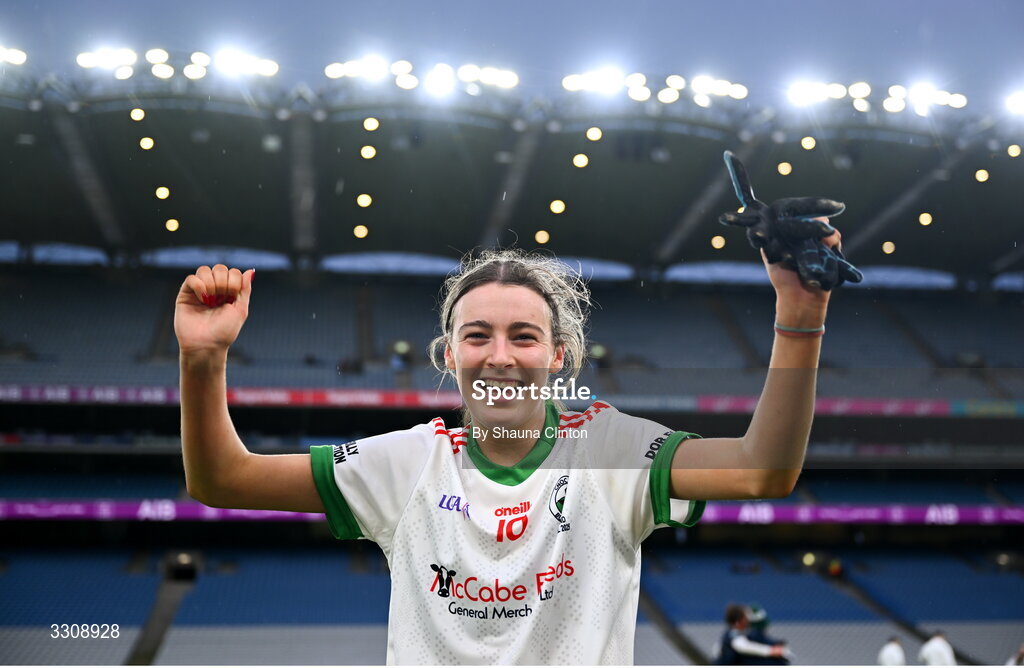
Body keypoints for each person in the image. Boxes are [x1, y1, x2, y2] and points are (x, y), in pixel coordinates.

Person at [174, 225, 842, 664]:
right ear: (450, 353)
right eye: (477, 335)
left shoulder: (609, 449)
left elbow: (762, 471)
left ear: (558, 355)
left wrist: (801, 320)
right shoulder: (407, 463)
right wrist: (203, 363)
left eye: (523, 336)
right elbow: (223, 480)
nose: (500, 356)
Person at [714, 604, 791, 665]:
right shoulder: (732, 634)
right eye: (745, 618)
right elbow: (741, 645)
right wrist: (770, 651)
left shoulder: (746, 633)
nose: (748, 620)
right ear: (737, 622)